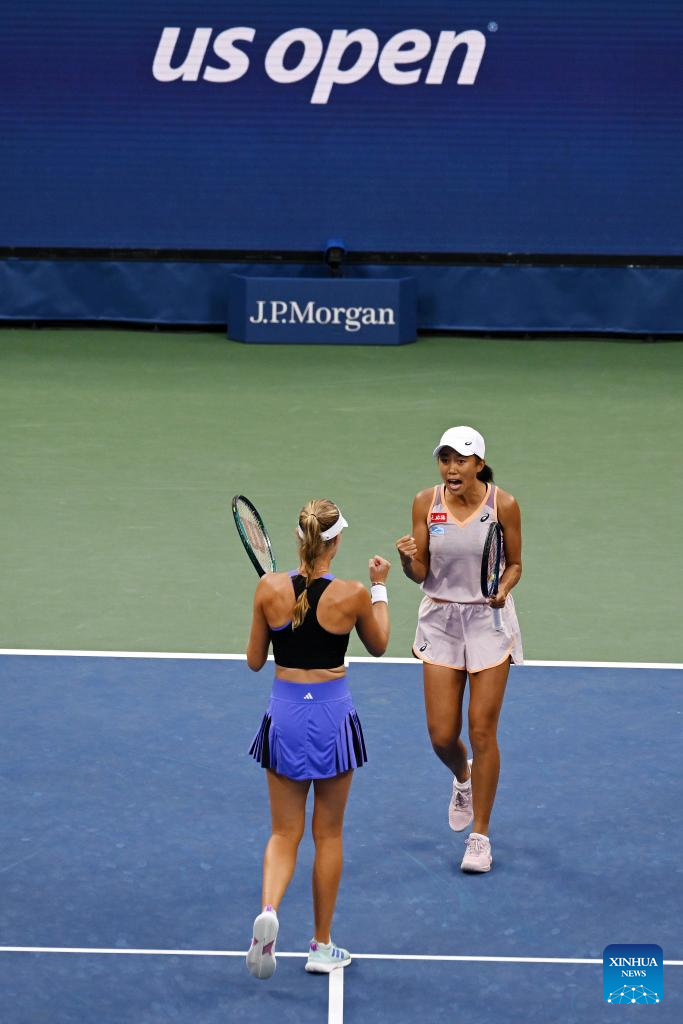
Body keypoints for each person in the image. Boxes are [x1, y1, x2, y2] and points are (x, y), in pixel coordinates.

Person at [245, 498, 390, 979]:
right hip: (332, 717)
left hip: (285, 715)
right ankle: (321, 946)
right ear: (336, 541)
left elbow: (254, 661)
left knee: (283, 833)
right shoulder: (352, 594)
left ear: (299, 538)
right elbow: (380, 644)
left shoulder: (268, 588)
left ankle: (269, 909)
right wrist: (379, 587)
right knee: (327, 835)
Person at [395, 426, 522, 873]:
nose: (451, 468)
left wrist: (503, 588)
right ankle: (463, 776)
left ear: (479, 465)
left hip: (488, 620)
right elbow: (420, 572)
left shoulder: (503, 504)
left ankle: (480, 837)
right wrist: (407, 560)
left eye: (461, 460)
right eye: (445, 459)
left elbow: (515, 564)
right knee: (442, 735)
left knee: (482, 731)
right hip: (441, 621)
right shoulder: (424, 502)